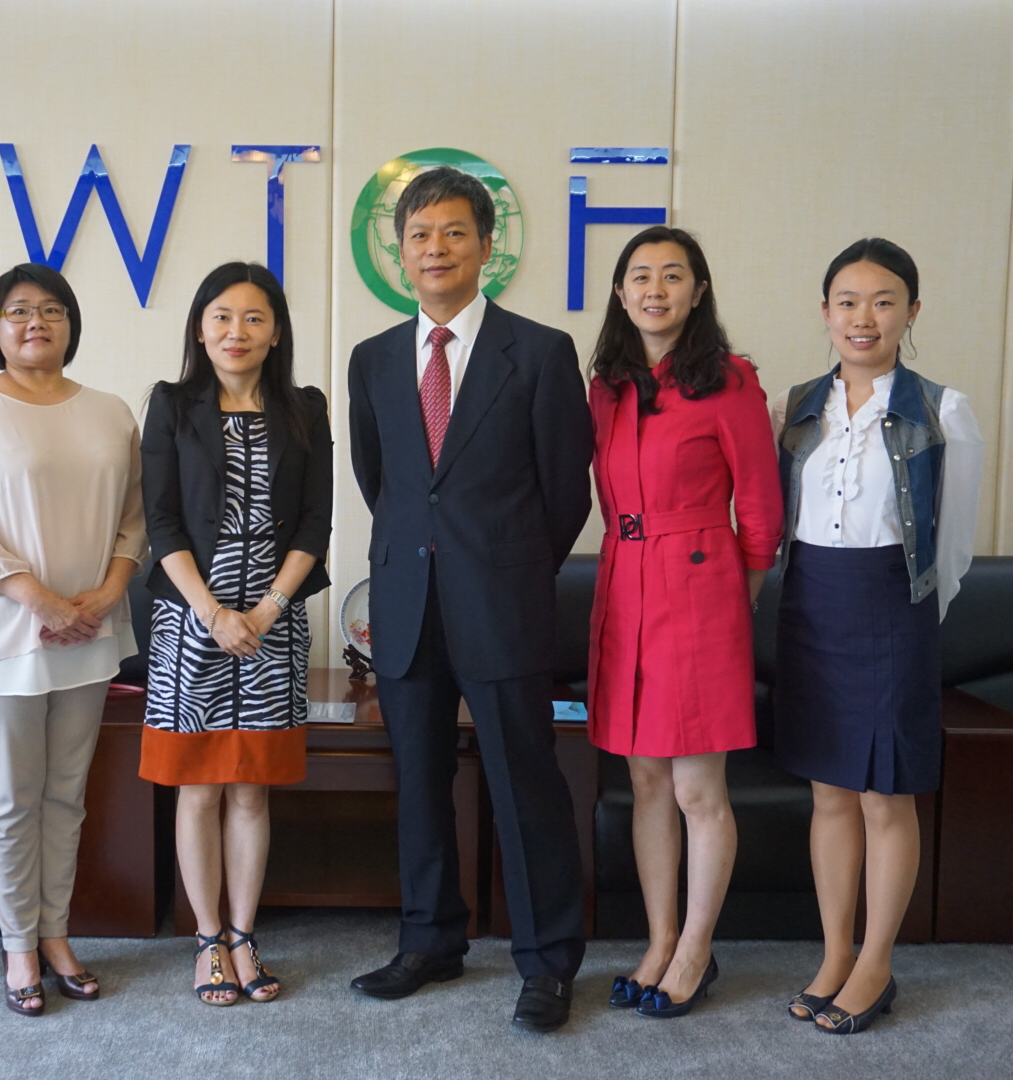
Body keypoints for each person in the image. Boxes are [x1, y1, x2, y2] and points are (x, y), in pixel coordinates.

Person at [346, 166, 593, 1033]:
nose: (436, 248)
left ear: (487, 246)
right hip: (407, 605)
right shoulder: (374, 359)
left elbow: (566, 492)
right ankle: (430, 940)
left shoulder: (542, 352)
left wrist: (509, 567)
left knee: (526, 784)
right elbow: (383, 482)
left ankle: (547, 960)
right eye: (419, 235)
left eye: (454, 232)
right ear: (400, 253)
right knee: (418, 782)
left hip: (504, 603)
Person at [0, 263, 147, 1016]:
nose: (35, 322)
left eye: (52, 310)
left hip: (89, 631)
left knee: (66, 796)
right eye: (18, 310)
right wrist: (43, 602)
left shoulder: (111, 412)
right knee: (14, 800)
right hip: (4, 636)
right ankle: (18, 942)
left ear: (71, 326)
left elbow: (136, 518)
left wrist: (109, 593)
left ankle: (56, 934)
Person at [773, 238, 982, 1034]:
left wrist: (913, 616)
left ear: (912, 312)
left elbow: (952, 547)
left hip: (895, 607)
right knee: (829, 791)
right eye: (848, 302)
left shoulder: (942, 409)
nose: (864, 317)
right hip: (811, 605)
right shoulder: (796, 406)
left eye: (884, 301)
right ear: (826, 312)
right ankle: (835, 954)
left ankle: (876, 963)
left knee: (885, 793)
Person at [584, 226, 784, 1019]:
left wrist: (737, 596)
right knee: (644, 781)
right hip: (624, 584)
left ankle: (697, 949)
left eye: (673, 275)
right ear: (621, 291)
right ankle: (660, 939)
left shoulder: (729, 380)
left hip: (701, 590)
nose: (655, 289)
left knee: (698, 787)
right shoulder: (607, 385)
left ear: (698, 291)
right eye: (640, 275)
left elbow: (761, 510)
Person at [139, 261, 331, 1006]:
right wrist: (213, 613)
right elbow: (161, 521)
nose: (236, 331)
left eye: (254, 317)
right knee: (198, 790)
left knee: (251, 790)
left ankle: (246, 936)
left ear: (276, 332)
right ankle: (207, 939)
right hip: (193, 622)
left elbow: (314, 523)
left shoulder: (305, 409)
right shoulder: (171, 405)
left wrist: (267, 609)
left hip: (273, 625)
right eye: (221, 316)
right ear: (200, 327)